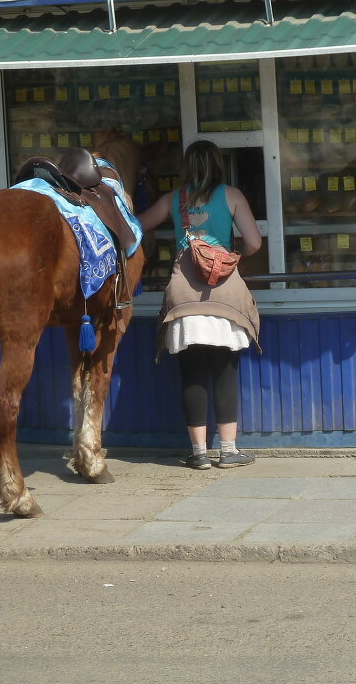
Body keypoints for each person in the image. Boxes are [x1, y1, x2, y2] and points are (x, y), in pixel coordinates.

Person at [137, 140, 263, 470]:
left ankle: (199, 454)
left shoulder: (173, 199)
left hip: (184, 295)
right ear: (218, 165)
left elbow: (134, 227)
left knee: (192, 375)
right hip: (224, 294)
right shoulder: (232, 195)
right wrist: (232, 257)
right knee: (224, 372)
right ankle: (229, 451)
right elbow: (254, 242)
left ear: (186, 167)